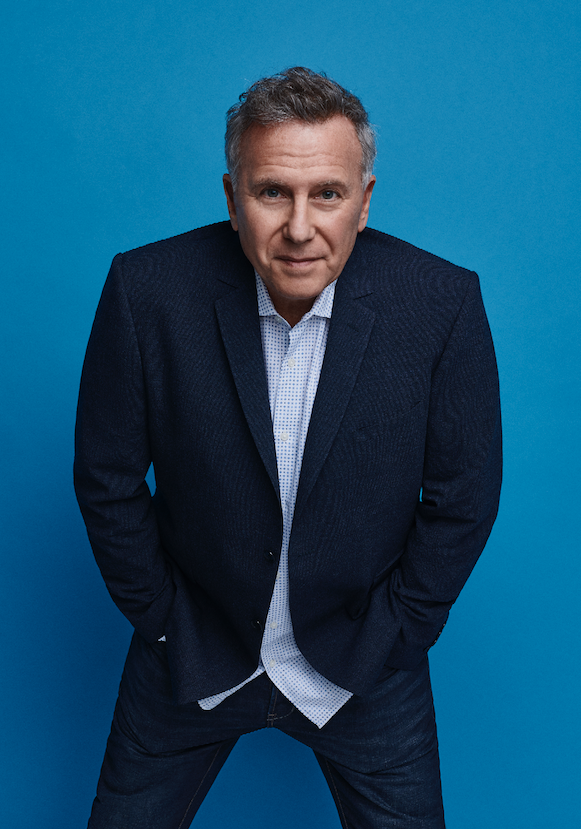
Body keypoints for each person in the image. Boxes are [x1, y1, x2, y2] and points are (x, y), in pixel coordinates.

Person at [74, 67, 502, 828]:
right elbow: (105, 477)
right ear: (232, 196)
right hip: (191, 651)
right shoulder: (146, 291)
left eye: (327, 195)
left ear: (363, 200)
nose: (300, 227)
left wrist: (396, 634)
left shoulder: (440, 303)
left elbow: (465, 494)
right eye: (273, 191)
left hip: (364, 663)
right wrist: (164, 619)